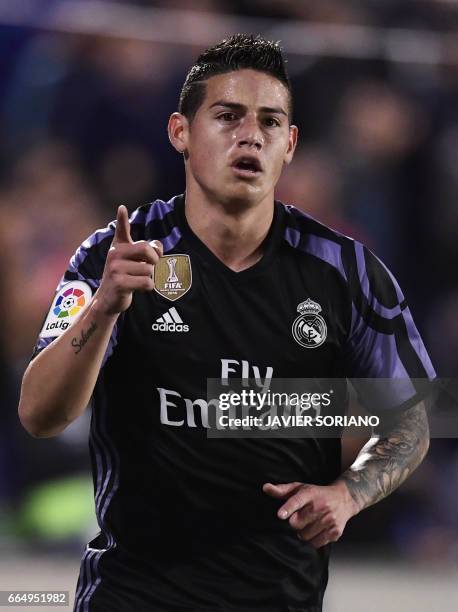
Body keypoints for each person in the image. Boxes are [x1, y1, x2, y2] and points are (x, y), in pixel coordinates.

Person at [19, 34, 436, 612]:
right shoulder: (116, 259)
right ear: (180, 133)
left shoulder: (348, 273)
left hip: (281, 599)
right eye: (227, 116)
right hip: (133, 595)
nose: (250, 135)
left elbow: (409, 417)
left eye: (270, 122)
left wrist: (348, 493)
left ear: (289, 144)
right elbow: (40, 415)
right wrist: (106, 308)